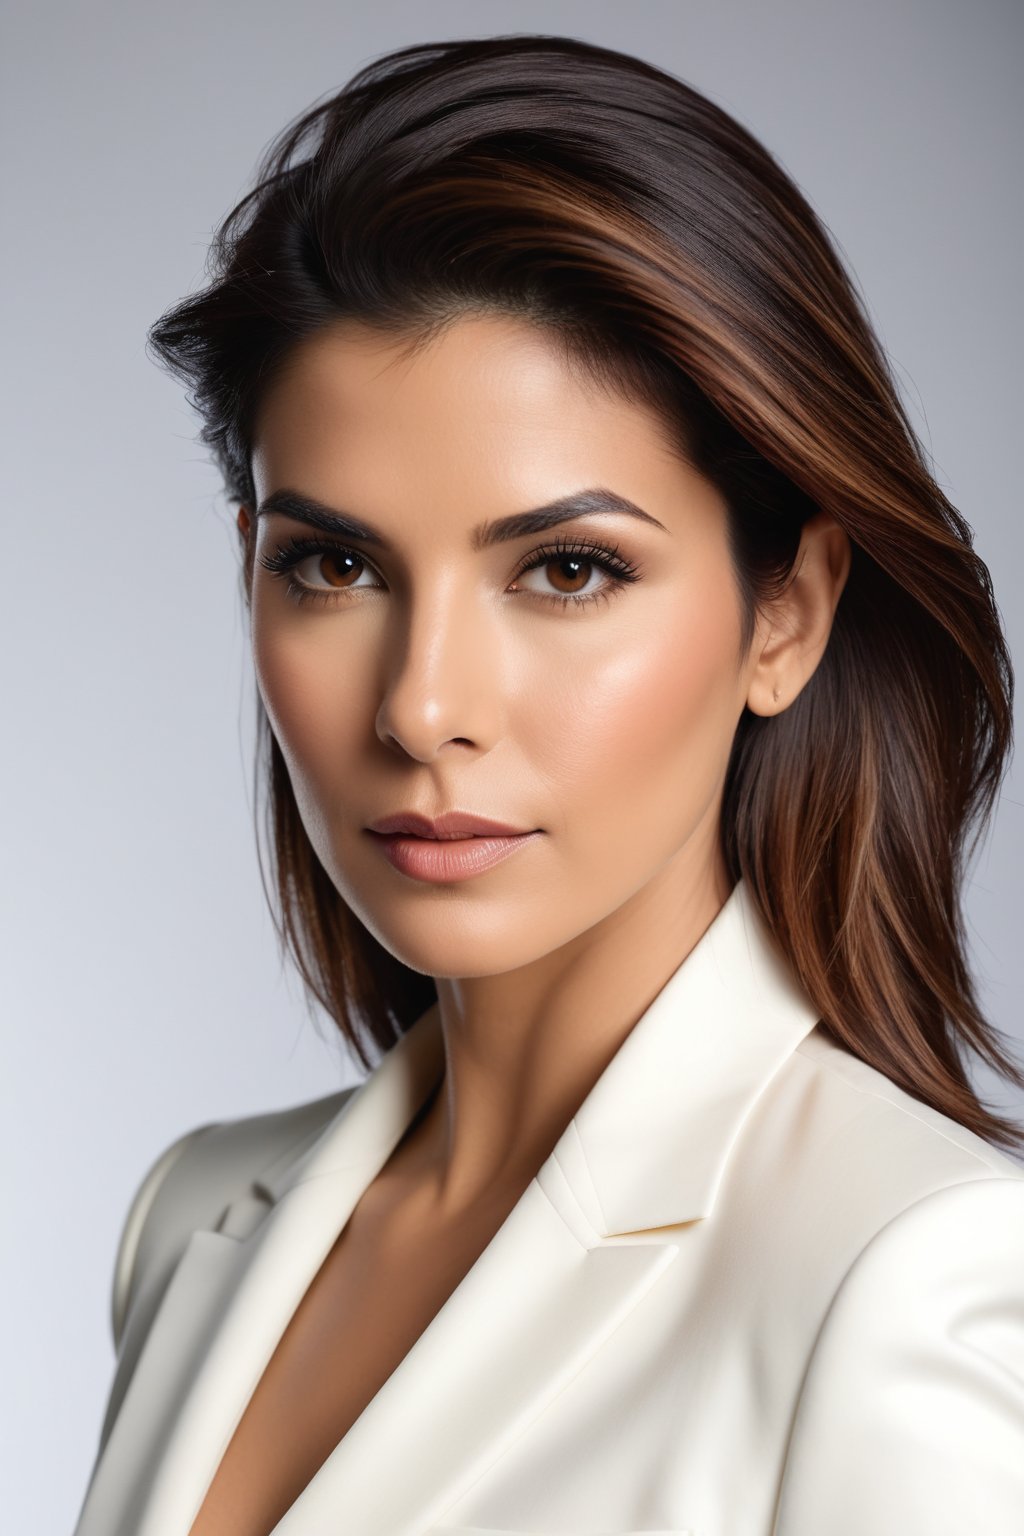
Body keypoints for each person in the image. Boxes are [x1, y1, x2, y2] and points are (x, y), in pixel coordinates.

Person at [73, 33, 1024, 1536]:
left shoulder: (905, 1273)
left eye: (568, 570)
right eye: (332, 565)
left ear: (787, 612)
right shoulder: (193, 1218)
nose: (424, 704)